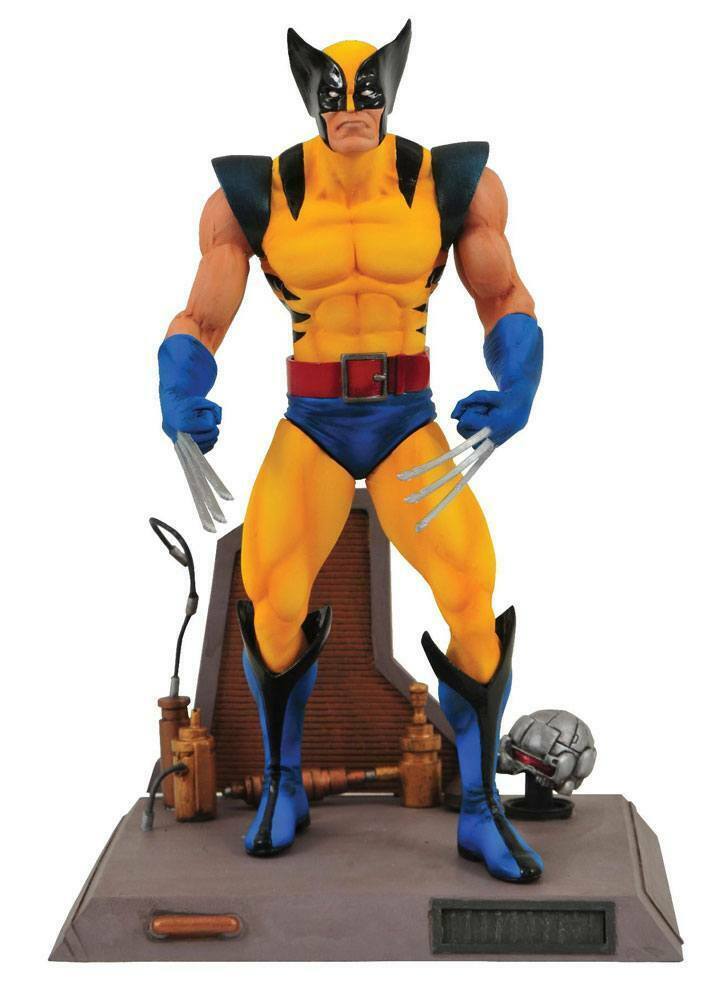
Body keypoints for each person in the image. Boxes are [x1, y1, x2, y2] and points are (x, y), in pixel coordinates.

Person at [158, 21, 544, 882]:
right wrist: (178, 384)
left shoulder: (449, 183)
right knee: (272, 597)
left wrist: (519, 378)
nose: (352, 109)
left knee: (470, 589)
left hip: (406, 420)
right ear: (310, 97)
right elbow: (204, 314)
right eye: (334, 95)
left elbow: (502, 292)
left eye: (367, 91)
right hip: (315, 422)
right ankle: (283, 782)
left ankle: (480, 808)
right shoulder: (259, 193)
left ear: (390, 90)